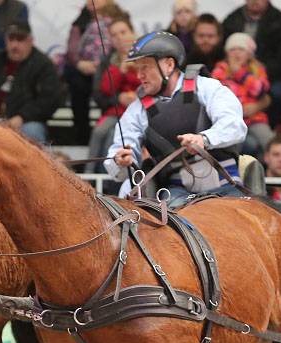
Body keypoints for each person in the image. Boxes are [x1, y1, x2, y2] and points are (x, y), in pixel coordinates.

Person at [105, 31, 247, 204]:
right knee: (169, 228)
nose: (139, 75)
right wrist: (121, 160)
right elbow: (120, 155)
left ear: (169, 65)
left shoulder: (207, 87)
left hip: (226, 186)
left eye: (146, 66)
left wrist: (204, 139)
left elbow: (235, 126)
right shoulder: (136, 111)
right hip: (178, 194)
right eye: (137, 67)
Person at [0, 20, 61, 144]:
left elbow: (49, 100)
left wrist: (23, 116)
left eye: (20, 39)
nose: (14, 45)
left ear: (30, 40)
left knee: (32, 131)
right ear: (6, 40)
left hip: (26, 123)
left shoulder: (43, 65)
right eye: (11, 39)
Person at [222, 0, 281, 129]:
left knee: (277, 94)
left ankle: (269, 127)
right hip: (235, 75)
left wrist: (258, 73)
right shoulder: (232, 19)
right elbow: (222, 51)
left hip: (273, 77)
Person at [63, 0, 127, 145]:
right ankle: (82, 135)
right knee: (77, 84)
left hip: (112, 64)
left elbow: (125, 46)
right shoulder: (80, 22)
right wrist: (81, 64)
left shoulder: (121, 19)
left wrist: (105, 64)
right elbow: (72, 51)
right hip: (87, 69)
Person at [87, 20, 138, 171]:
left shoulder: (143, 64)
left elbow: (149, 86)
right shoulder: (112, 64)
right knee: (99, 131)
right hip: (116, 111)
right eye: (114, 35)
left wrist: (138, 98)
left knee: (112, 136)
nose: (120, 39)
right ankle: (89, 172)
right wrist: (120, 70)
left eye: (123, 33)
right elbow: (106, 89)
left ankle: (107, 176)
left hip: (137, 112)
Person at [212, 32, 271, 159]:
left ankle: (266, 170)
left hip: (255, 118)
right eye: (232, 49)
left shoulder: (258, 69)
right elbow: (216, 95)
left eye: (241, 49)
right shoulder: (220, 70)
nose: (236, 53)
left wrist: (240, 73)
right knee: (233, 146)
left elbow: (260, 90)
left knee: (268, 141)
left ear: (249, 54)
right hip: (231, 120)